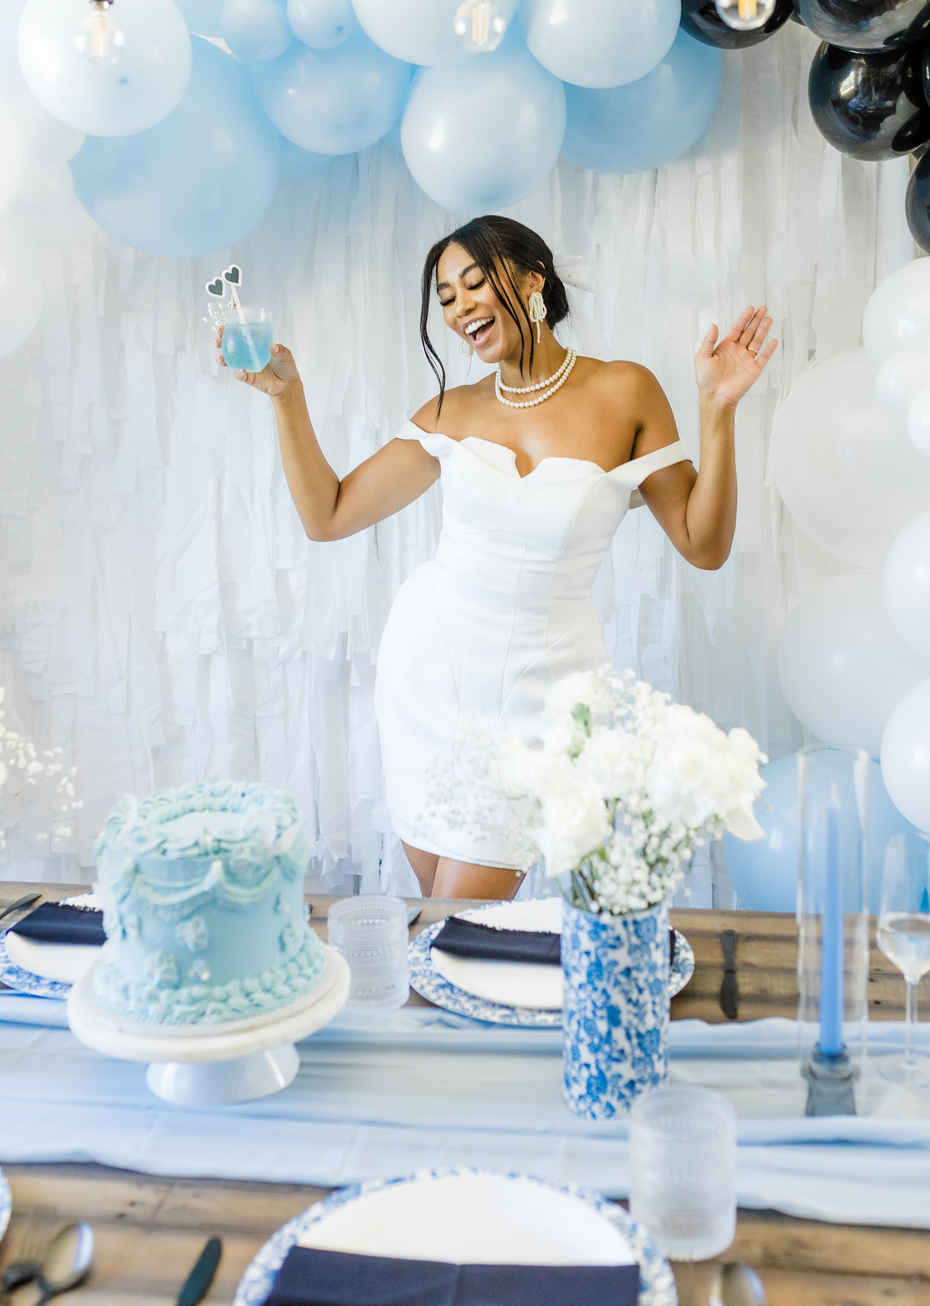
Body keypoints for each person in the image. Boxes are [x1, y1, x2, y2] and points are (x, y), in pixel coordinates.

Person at [219, 216, 776, 901]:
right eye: (445, 297)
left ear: (531, 280)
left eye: (474, 283)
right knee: (445, 923)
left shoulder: (625, 391)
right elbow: (327, 514)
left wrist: (715, 410)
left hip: (544, 694)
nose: (458, 309)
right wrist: (287, 396)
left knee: (455, 916)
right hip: (429, 674)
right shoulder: (450, 410)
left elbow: (703, 546)